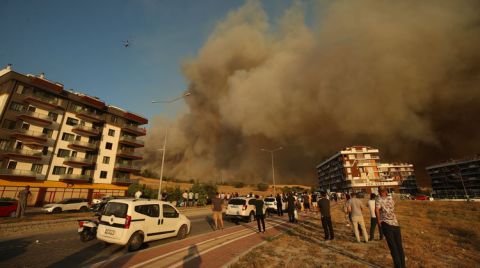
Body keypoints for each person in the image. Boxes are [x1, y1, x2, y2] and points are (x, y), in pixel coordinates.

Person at [376, 187, 405, 268]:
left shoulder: (378, 199)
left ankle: (398, 266)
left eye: (380, 191)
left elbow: (377, 209)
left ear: (380, 192)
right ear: (386, 191)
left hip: (386, 224)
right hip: (395, 223)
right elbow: (393, 207)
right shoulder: (390, 198)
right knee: (399, 246)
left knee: (393, 247)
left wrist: (379, 221)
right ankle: (403, 266)